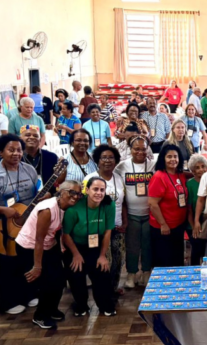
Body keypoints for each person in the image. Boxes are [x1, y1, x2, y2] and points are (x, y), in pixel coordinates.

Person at [0, 134, 40, 315]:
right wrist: (3, 211)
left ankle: (29, 294)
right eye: (11, 150)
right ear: (0, 152)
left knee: (26, 259)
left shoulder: (29, 170)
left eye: (19, 150)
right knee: (6, 265)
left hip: (27, 223)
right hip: (2, 227)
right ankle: (8, 301)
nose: (16, 154)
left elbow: (36, 192)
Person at [15, 181, 82, 329]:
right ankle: (40, 316)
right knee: (47, 282)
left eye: (79, 193)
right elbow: (39, 240)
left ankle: (52, 309)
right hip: (30, 247)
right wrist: (37, 266)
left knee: (59, 279)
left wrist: (61, 246)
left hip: (49, 245)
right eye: (72, 192)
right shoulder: (47, 209)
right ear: (61, 192)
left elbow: (57, 230)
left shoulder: (65, 206)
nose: (76, 196)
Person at [62, 177, 116, 317]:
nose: (99, 193)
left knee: (102, 274)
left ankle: (105, 306)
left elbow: (107, 232)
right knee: (76, 275)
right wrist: (76, 254)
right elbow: (66, 235)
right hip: (75, 246)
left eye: (102, 190)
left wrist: (103, 255)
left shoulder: (109, 204)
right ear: (87, 190)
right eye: (95, 189)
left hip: (96, 245)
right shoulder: (75, 207)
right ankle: (81, 305)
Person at [84, 145, 126, 295]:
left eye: (111, 157)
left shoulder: (119, 178)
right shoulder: (90, 179)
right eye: (104, 157)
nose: (108, 161)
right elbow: (85, 205)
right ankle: (103, 292)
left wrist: (125, 222)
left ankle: (113, 288)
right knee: (103, 262)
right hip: (100, 229)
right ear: (97, 160)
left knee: (118, 260)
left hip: (117, 227)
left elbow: (123, 202)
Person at [115, 136, 155, 289]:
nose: (140, 152)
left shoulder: (153, 165)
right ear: (130, 150)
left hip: (149, 214)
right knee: (132, 246)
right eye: (136, 149)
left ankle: (146, 272)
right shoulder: (122, 166)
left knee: (147, 245)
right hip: (131, 214)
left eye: (143, 149)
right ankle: (131, 273)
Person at [148, 145, 188, 267]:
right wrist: (163, 224)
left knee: (177, 259)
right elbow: (152, 204)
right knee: (164, 261)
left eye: (175, 156)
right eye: (169, 156)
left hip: (178, 225)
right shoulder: (159, 177)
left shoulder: (180, 174)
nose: (173, 159)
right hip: (163, 227)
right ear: (163, 159)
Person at [186, 154, 207, 264]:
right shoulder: (189, 184)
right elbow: (189, 208)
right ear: (192, 170)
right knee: (196, 248)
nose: (201, 170)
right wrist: (193, 225)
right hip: (192, 222)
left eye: (203, 166)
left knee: (206, 250)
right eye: (197, 167)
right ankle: (194, 272)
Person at [21, 126, 58, 193]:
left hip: (47, 196)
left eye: (35, 136)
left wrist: (50, 194)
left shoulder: (52, 157)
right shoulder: (15, 158)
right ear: (20, 139)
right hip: (23, 199)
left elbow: (57, 182)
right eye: (27, 135)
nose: (32, 137)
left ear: (40, 140)